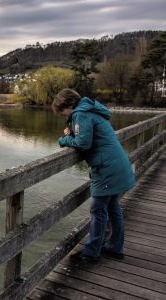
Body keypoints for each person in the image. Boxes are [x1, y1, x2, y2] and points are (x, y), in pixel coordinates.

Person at [52, 88, 135, 265]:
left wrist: (64, 140)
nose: (61, 115)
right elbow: (87, 135)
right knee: (113, 207)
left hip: (106, 168)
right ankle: (114, 247)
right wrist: (73, 133)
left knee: (98, 210)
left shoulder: (81, 115)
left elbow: (83, 143)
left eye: (62, 111)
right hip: (116, 165)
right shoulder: (89, 111)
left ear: (69, 105)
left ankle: (91, 253)